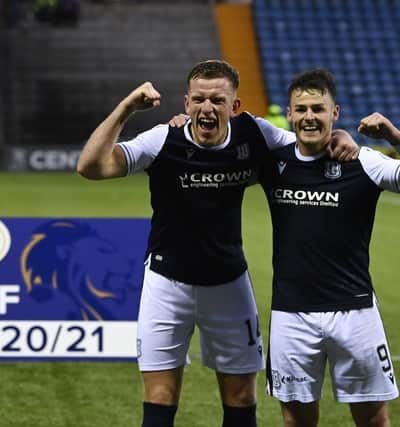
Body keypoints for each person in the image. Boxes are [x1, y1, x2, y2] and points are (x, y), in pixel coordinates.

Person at [76, 59, 358, 427]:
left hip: (228, 284)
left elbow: (310, 145)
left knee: (241, 398)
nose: (207, 108)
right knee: (159, 398)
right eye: (199, 100)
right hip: (166, 283)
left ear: (234, 106)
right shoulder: (163, 140)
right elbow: (90, 166)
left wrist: (340, 136)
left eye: (217, 101)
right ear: (187, 104)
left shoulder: (256, 134)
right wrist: (127, 107)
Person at [259, 69, 400, 426]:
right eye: (301, 109)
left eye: (318, 109)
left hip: (355, 313)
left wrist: (393, 135)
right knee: (297, 422)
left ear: (334, 113)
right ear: (289, 114)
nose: (309, 117)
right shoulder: (272, 161)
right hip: (291, 315)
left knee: (373, 421)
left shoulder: (362, 162)